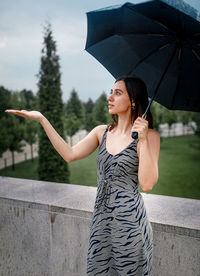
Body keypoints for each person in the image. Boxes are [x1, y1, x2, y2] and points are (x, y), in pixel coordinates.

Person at [6, 76, 160, 276]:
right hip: (101, 223)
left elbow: (147, 184)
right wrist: (42, 119)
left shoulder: (150, 137)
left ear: (133, 101)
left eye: (117, 93)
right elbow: (69, 155)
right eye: (111, 91)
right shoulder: (101, 132)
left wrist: (144, 140)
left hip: (131, 227)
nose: (109, 97)